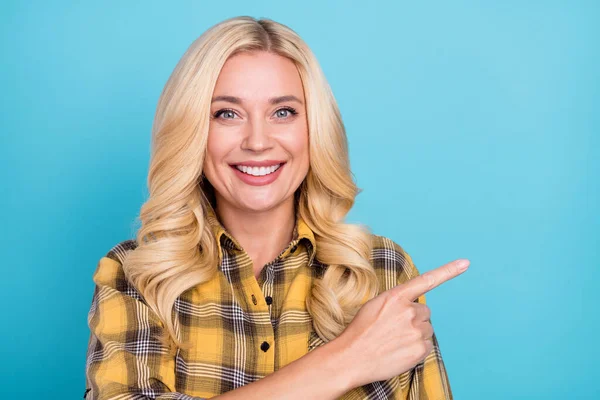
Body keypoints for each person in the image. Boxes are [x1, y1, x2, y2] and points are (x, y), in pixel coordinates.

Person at [84, 15, 469, 400]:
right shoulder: (137, 276)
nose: (257, 141)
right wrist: (347, 360)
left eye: (282, 112)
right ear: (193, 131)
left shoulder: (383, 272)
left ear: (314, 127)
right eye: (226, 113)